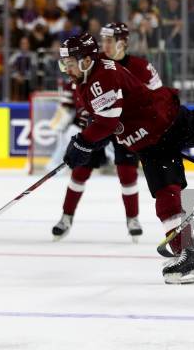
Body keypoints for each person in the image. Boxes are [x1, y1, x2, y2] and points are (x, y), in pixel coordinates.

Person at [58, 32, 194, 284]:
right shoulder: (86, 79)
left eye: (70, 62)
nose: (66, 68)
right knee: (166, 201)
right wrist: (89, 139)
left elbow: (107, 122)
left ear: (85, 61)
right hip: (148, 144)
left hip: (168, 122)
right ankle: (189, 257)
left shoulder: (101, 77)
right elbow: (106, 122)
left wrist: (83, 143)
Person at [52, 22, 162, 243]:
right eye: (103, 40)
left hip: (126, 126)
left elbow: (157, 99)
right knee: (80, 170)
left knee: (127, 172)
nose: (105, 45)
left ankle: (133, 218)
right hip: (100, 122)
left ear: (123, 42)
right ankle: (66, 216)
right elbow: (79, 87)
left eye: (110, 40)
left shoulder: (141, 67)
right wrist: (83, 111)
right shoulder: (93, 61)